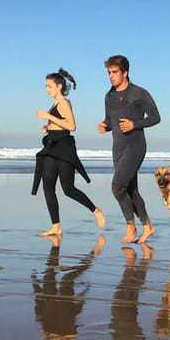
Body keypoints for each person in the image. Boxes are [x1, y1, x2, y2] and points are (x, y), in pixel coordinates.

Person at [32, 69, 105, 237]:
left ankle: (95, 210)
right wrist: (48, 127)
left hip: (64, 149)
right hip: (51, 147)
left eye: (49, 86)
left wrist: (48, 116)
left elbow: (72, 126)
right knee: (48, 187)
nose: (47, 89)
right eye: (45, 86)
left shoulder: (64, 103)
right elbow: (61, 124)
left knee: (68, 189)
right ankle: (56, 226)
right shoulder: (54, 105)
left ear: (59, 86)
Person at [98, 55, 161, 244]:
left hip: (135, 145)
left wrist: (135, 124)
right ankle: (148, 226)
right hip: (117, 147)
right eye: (109, 72)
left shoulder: (139, 93)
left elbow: (155, 117)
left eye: (114, 72)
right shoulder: (108, 96)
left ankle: (130, 226)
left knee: (117, 187)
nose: (111, 76)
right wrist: (105, 126)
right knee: (131, 190)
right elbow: (111, 121)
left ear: (125, 73)